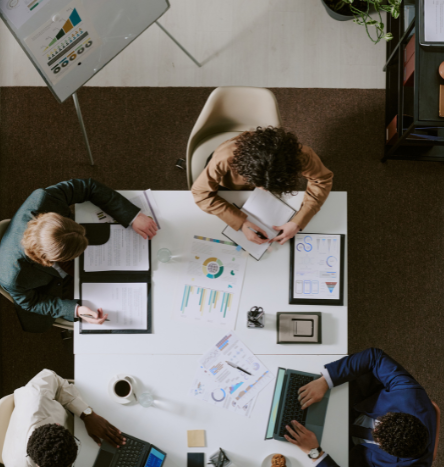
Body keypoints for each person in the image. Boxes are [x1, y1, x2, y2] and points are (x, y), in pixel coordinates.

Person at [0, 178, 157, 333]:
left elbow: (87, 187)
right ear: (50, 259)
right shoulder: (12, 275)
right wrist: (76, 310)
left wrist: (132, 216)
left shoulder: (45, 200)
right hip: (54, 287)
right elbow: (31, 302)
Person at [284, 348, 436, 467]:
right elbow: (374, 357)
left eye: (377, 435)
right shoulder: (410, 396)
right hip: (355, 402)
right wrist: (325, 381)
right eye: (382, 422)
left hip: (348, 452)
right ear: (402, 414)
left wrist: (315, 453)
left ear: (389, 453)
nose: (374, 429)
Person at [191, 126, 333, 246]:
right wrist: (240, 222)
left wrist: (298, 221)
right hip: (227, 183)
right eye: (259, 185)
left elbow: (322, 180)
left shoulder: (303, 155)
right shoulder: (224, 157)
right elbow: (200, 193)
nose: (263, 191)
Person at [2, 369, 123, 467]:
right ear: (38, 466)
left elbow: (53, 379)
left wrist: (86, 414)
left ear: (57, 424)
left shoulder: (37, 398)